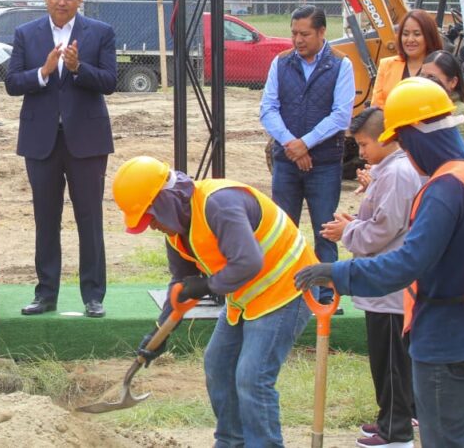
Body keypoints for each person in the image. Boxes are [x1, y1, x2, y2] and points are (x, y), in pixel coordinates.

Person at [296, 77, 464, 448]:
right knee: (461, 433)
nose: (407, 153)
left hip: (445, 335)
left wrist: (337, 273)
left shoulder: (446, 188)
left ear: (416, 133)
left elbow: (404, 264)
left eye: (404, 141)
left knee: (447, 438)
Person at [112, 155, 316, 447]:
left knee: (252, 376)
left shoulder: (219, 204)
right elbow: (181, 287)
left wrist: (206, 285)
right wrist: (159, 332)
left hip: (287, 287)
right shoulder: (176, 231)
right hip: (246, 296)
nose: (152, 226)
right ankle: (231, 442)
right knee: (218, 365)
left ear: (166, 200)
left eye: (150, 217)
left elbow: (248, 262)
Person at [4, 0, 116, 318]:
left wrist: (79, 67)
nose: (62, 1)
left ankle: (93, 295)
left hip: (87, 142)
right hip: (41, 142)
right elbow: (11, 83)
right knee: (46, 219)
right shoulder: (26, 33)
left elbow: (110, 81)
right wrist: (44, 72)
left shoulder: (100, 33)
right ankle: (45, 294)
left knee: (90, 219)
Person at [319, 107, 420, 448]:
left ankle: (397, 431)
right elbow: (380, 221)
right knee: (388, 359)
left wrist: (349, 231)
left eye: (364, 144)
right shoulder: (390, 169)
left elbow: (384, 229)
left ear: (386, 137)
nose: (360, 153)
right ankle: (391, 420)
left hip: (389, 283)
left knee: (390, 360)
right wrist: (354, 224)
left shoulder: (397, 173)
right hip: (385, 280)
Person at [259, 5, 354, 306]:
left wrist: (306, 143)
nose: (297, 40)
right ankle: (284, 292)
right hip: (287, 162)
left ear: (322, 32)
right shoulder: (281, 62)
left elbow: (341, 115)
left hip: (324, 163)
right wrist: (291, 144)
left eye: (305, 34)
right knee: (283, 229)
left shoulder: (341, 65)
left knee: (325, 229)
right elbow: (268, 109)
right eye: (294, 33)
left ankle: (326, 296)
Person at [371, 10, 443, 108]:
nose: (410, 39)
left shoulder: (439, 67)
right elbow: (376, 106)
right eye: (405, 34)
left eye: (417, 34)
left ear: (429, 36)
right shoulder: (386, 65)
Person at [421, 49, 464, 153]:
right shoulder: (423, 111)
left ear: (453, 82)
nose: (425, 82)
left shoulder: (463, 114)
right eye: (422, 76)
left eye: (432, 77)